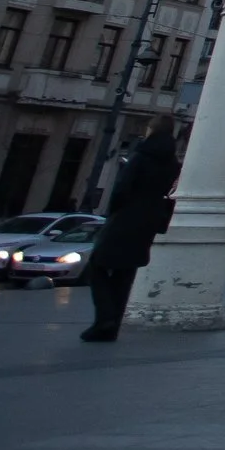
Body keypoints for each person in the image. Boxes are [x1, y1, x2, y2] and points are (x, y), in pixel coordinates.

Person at [81, 119, 178, 342]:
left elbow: (122, 188)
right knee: (125, 273)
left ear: (152, 129)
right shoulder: (172, 161)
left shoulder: (141, 156)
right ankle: (112, 326)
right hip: (150, 219)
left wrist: (113, 212)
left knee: (97, 266)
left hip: (126, 216)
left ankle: (105, 318)